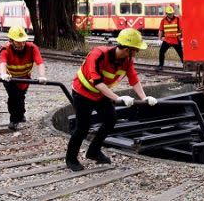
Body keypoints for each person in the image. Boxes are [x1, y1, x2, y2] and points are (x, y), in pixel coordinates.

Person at [65, 28, 157, 171]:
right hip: (82, 93)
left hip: (101, 94)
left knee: (110, 120)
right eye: (136, 50)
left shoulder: (127, 61)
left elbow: (134, 79)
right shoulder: (98, 54)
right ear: (127, 49)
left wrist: (145, 98)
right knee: (83, 126)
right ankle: (71, 159)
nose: (137, 53)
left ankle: (93, 152)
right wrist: (118, 98)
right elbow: (98, 82)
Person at [0, 26, 46, 130]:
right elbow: (2, 63)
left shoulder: (32, 48)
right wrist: (3, 74)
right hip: (10, 78)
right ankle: (14, 120)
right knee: (13, 97)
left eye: (23, 41)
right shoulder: (5, 49)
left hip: (25, 77)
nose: (22, 44)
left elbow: (40, 62)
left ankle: (21, 113)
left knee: (21, 95)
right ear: (11, 41)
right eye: (18, 42)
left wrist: (42, 76)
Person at [156, 5, 183, 70]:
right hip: (167, 40)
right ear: (167, 14)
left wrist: (182, 38)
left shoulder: (177, 19)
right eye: (169, 14)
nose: (171, 15)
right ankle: (160, 66)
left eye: (172, 13)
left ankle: (185, 65)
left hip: (176, 40)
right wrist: (159, 39)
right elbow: (161, 30)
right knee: (161, 52)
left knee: (181, 54)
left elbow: (181, 29)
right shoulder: (163, 20)